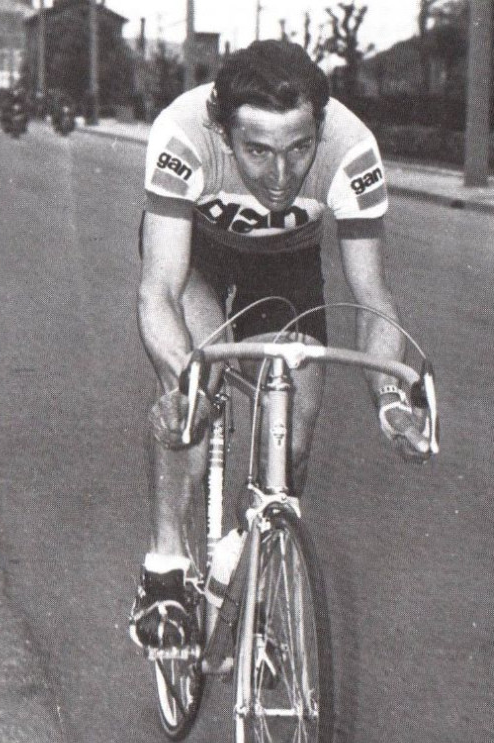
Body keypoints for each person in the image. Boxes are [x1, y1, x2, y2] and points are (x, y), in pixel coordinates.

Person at [132, 40, 429, 649]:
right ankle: (164, 567)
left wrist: (391, 399)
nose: (280, 175)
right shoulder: (184, 133)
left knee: (290, 439)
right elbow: (160, 288)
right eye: (257, 151)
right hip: (198, 258)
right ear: (223, 131)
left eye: (299, 149)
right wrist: (180, 377)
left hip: (285, 267)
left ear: (320, 124)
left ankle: (257, 584)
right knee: (197, 389)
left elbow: (371, 294)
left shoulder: (352, 151)